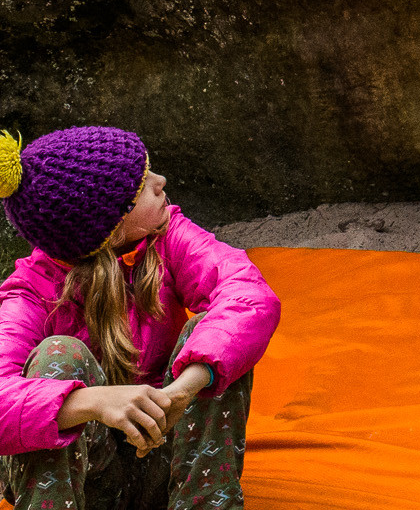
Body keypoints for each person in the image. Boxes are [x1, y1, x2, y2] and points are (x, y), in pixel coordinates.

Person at [0, 126, 281, 510]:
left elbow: (249, 296)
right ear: (112, 227)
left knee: (212, 333)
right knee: (58, 353)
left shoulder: (169, 236)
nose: (160, 181)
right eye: (142, 185)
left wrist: (182, 390)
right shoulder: (30, 291)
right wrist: (92, 402)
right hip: (88, 482)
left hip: (164, 464)